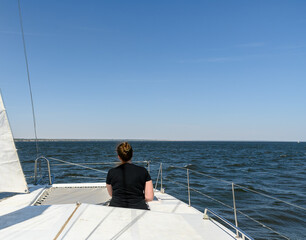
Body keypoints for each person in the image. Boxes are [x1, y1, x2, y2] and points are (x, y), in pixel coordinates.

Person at [106, 142, 154, 210]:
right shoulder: (143, 171)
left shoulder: (111, 172)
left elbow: (111, 194)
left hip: (115, 208)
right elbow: (149, 197)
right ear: (132, 154)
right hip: (139, 208)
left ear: (119, 156)